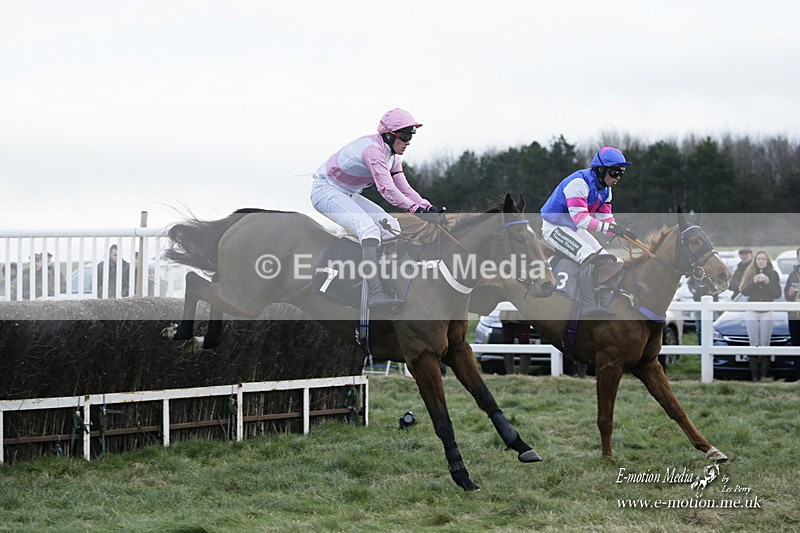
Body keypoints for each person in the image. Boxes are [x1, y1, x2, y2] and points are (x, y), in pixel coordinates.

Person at [310, 108, 444, 309]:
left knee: (391, 224)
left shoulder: (392, 158)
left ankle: (390, 281)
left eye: (411, 137)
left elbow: (404, 189)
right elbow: (387, 189)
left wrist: (427, 207)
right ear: (389, 135)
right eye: (405, 136)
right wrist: (417, 211)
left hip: (347, 192)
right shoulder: (373, 152)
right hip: (325, 190)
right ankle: (375, 292)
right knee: (369, 228)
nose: (408, 142)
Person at [540, 146, 636, 317]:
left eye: (621, 172)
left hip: (573, 229)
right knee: (589, 256)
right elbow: (582, 220)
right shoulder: (579, 184)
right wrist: (611, 228)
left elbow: (606, 220)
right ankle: (589, 304)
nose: (618, 177)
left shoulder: (606, 191)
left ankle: (605, 295)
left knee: (609, 258)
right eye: (615, 172)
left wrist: (622, 232)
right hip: (554, 228)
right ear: (601, 169)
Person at [739, 249, 781, 382]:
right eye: (758, 259)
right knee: (754, 344)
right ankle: (754, 377)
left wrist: (768, 282)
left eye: (763, 259)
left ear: (767, 261)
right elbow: (744, 291)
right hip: (752, 311)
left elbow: (777, 294)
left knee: (764, 344)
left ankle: (764, 377)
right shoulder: (750, 272)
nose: (761, 261)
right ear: (755, 261)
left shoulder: (773, 274)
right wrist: (754, 282)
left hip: (767, 311)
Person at [783, 247, 800, 379]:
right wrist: (789, 293)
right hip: (794, 316)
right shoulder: (792, 274)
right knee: (796, 345)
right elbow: (786, 295)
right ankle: (798, 376)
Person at [499, 307, 532, 375]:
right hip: (507, 317)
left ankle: (523, 373)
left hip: (523, 317)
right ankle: (509, 373)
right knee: (507, 344)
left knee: (524, 344)